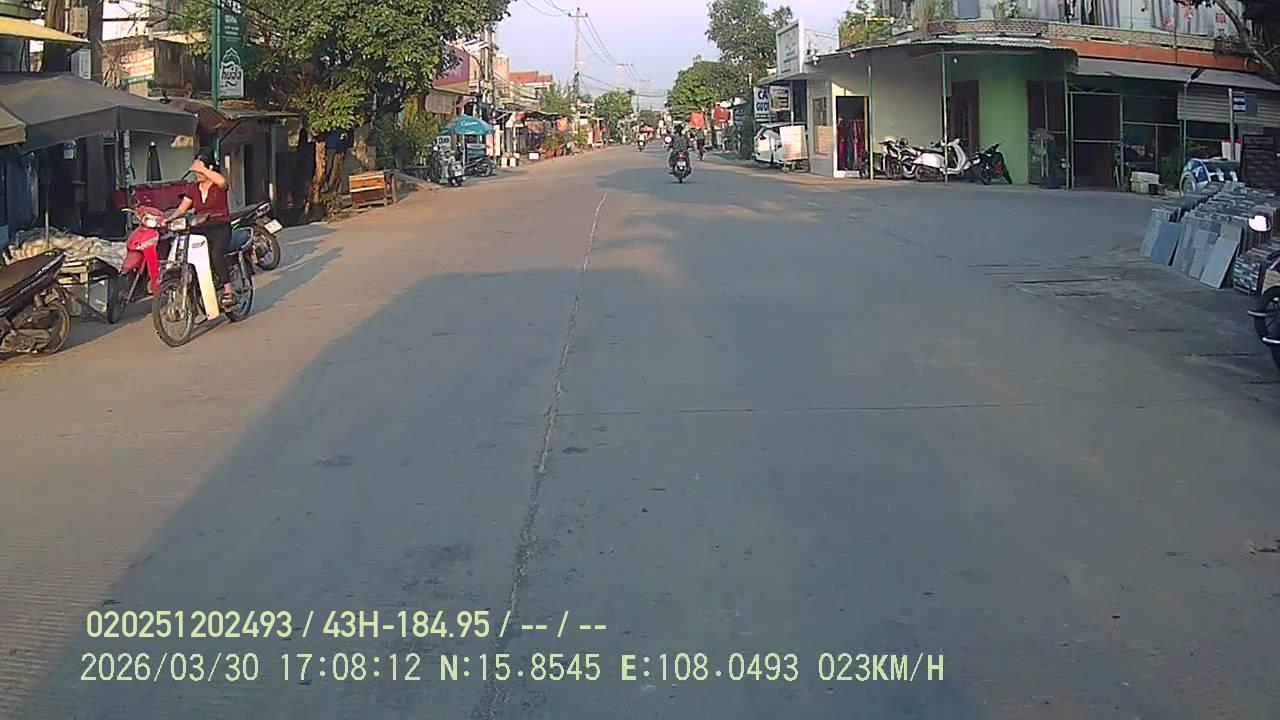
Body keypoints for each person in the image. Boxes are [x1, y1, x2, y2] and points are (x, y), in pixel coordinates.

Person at [169, 149, 233, 306]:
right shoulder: (193, 188)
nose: (197, 174)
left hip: (220, 227)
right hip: (200, 229)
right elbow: (182, 208)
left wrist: (202, 168)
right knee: (186, 255)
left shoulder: (218, 184)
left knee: (216, 254)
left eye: (200, 171)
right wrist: (168, 219)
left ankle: (228, 288)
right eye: (196, 171)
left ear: (209, 168)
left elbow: (223, 182)